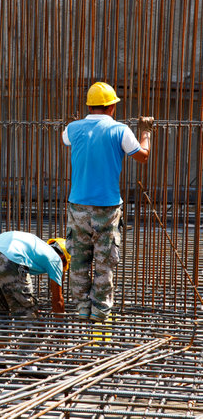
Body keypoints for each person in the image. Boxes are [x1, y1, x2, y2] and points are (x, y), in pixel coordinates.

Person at [62, 81, 154, 322]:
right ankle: (100, 312)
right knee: (105, 260)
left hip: (78, 205)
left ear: (89, 106)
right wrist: (146, 134)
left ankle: (82, 308)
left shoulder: (72, 128)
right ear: (112, 106)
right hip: (107, 207)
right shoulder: (120, 130)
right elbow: (142, 157)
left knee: (79, 258)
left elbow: (68, 140)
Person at [0, 231, 71, 318]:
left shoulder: (39, 248)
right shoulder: (55, 259)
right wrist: (60, 329)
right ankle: (27, 332)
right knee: (26, 310)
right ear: (63, 258)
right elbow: (57, 300)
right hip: (9, 259)